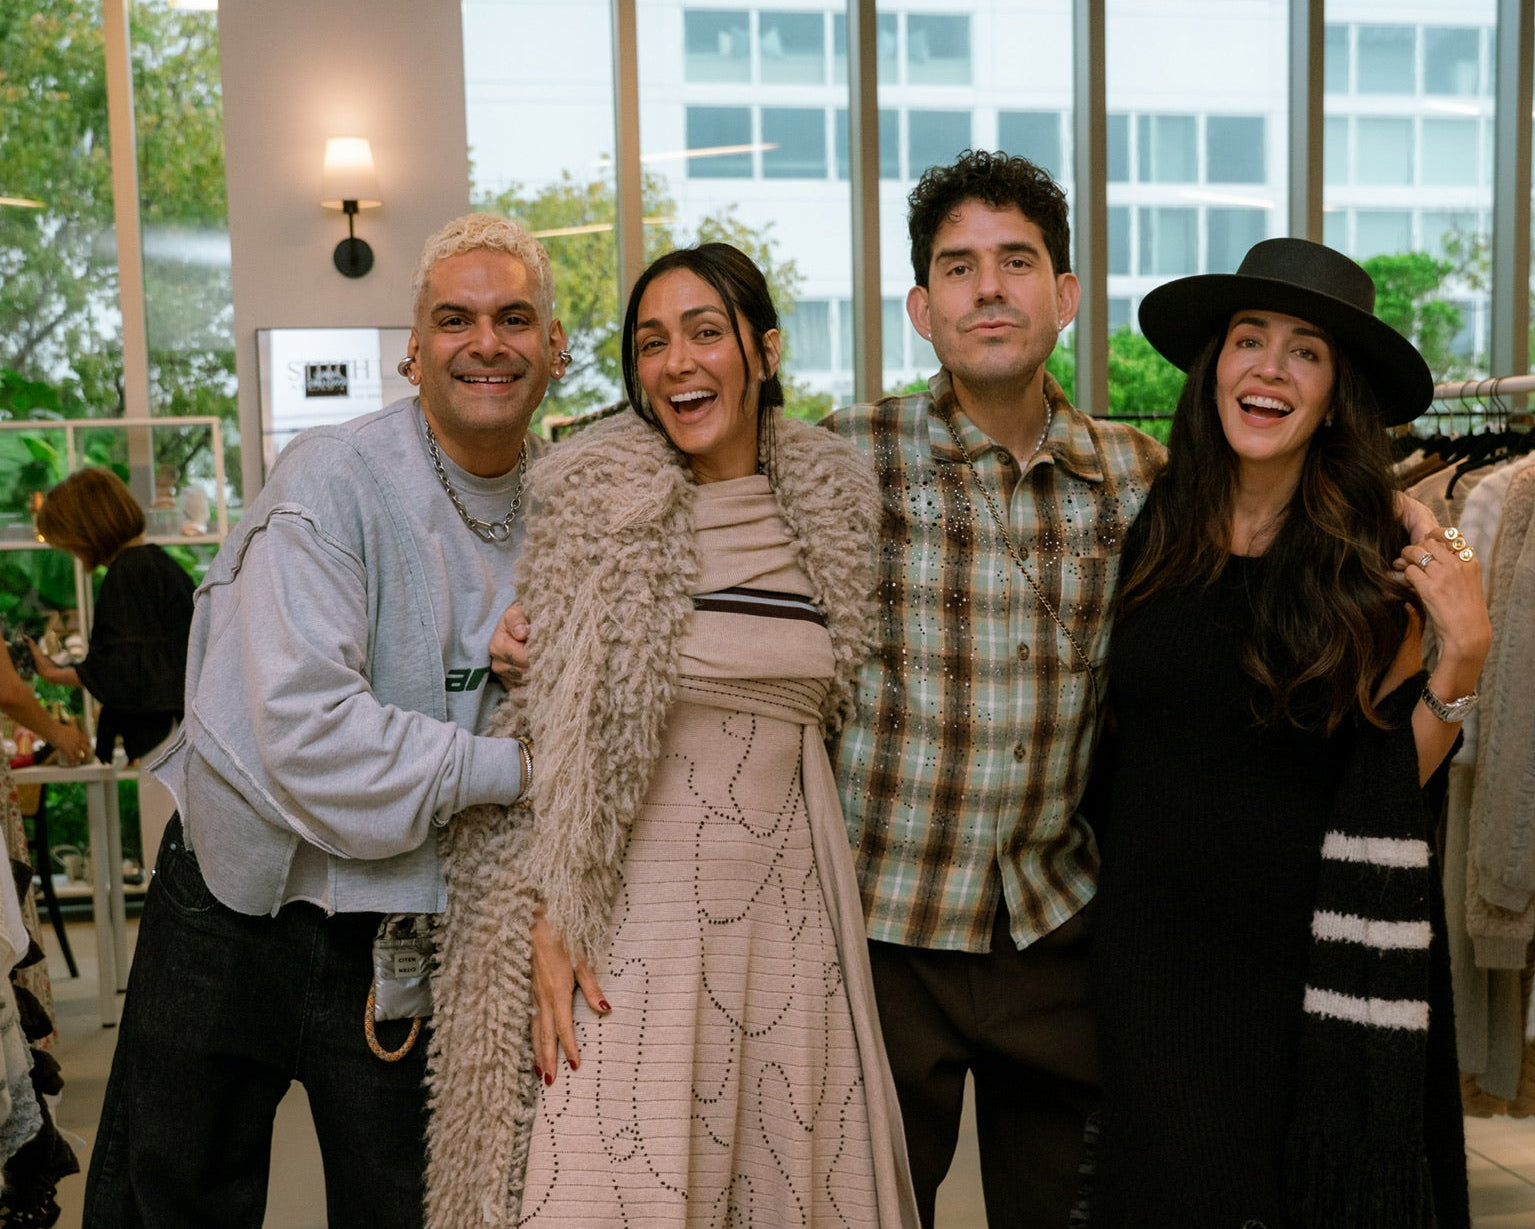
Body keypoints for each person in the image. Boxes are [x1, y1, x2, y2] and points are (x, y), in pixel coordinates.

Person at [81, 212, 568, 1229]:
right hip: (233, 903)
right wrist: (520, 769)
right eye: (455, 319)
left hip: (405, 926)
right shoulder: (332, 480)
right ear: (411, 349)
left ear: (554, 347)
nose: (486, 342)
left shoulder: (573, 509)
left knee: (410, 1209)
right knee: (167, 1203)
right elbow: (309, 734)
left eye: (514, 318)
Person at [425, 243, 919, 1228]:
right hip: (637, 916)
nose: (677, 361)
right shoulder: (599, 502)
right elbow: (558, 730)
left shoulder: (828, 503)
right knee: (611, 1175)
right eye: (652, 342)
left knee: (783, 1178)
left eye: (704, 332)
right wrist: (554, 912)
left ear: (763, 348)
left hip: (789, 905)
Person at [1088, 238, 1488, 1228]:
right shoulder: (1146, 530)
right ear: (1212, 368)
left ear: (1332, 391)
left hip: (1300, 968)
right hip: (1150, 963)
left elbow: (1388, 779)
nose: (1266, 367)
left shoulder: (1372, 570)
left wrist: (1462, 657)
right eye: (1246, 340)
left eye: (1303, 350)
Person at [818, 150, 1166, 1228]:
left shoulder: (1138, 474)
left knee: (1069, 1209)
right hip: (882, 932)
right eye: (958, 267)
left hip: (1056, 924)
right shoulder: (841, 458)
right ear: (922, 308)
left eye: (1016, 261)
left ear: (1062, 295)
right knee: (865, 1209)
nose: (988, 288)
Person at [29, 466, 196, 861]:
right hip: (183, 730)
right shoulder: (155, 563)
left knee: (166, 855)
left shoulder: (129, 574)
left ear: (86, 529)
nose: (68, 549)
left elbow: (123, 669)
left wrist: (53, 673)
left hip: (166, 740)